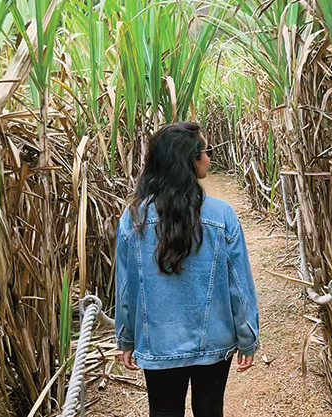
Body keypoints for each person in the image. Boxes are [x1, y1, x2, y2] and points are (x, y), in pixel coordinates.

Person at [114, 122, 259, 417]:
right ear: (189, 161)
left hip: (158, 344)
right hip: (214, 344)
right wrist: (248, 337)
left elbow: (126, 288)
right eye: (205, 152)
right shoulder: (222, 215)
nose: (208, 158)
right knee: (210, 411)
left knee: (164, 410)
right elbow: (239, 285)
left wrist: (126, 338)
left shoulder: (133, 219)